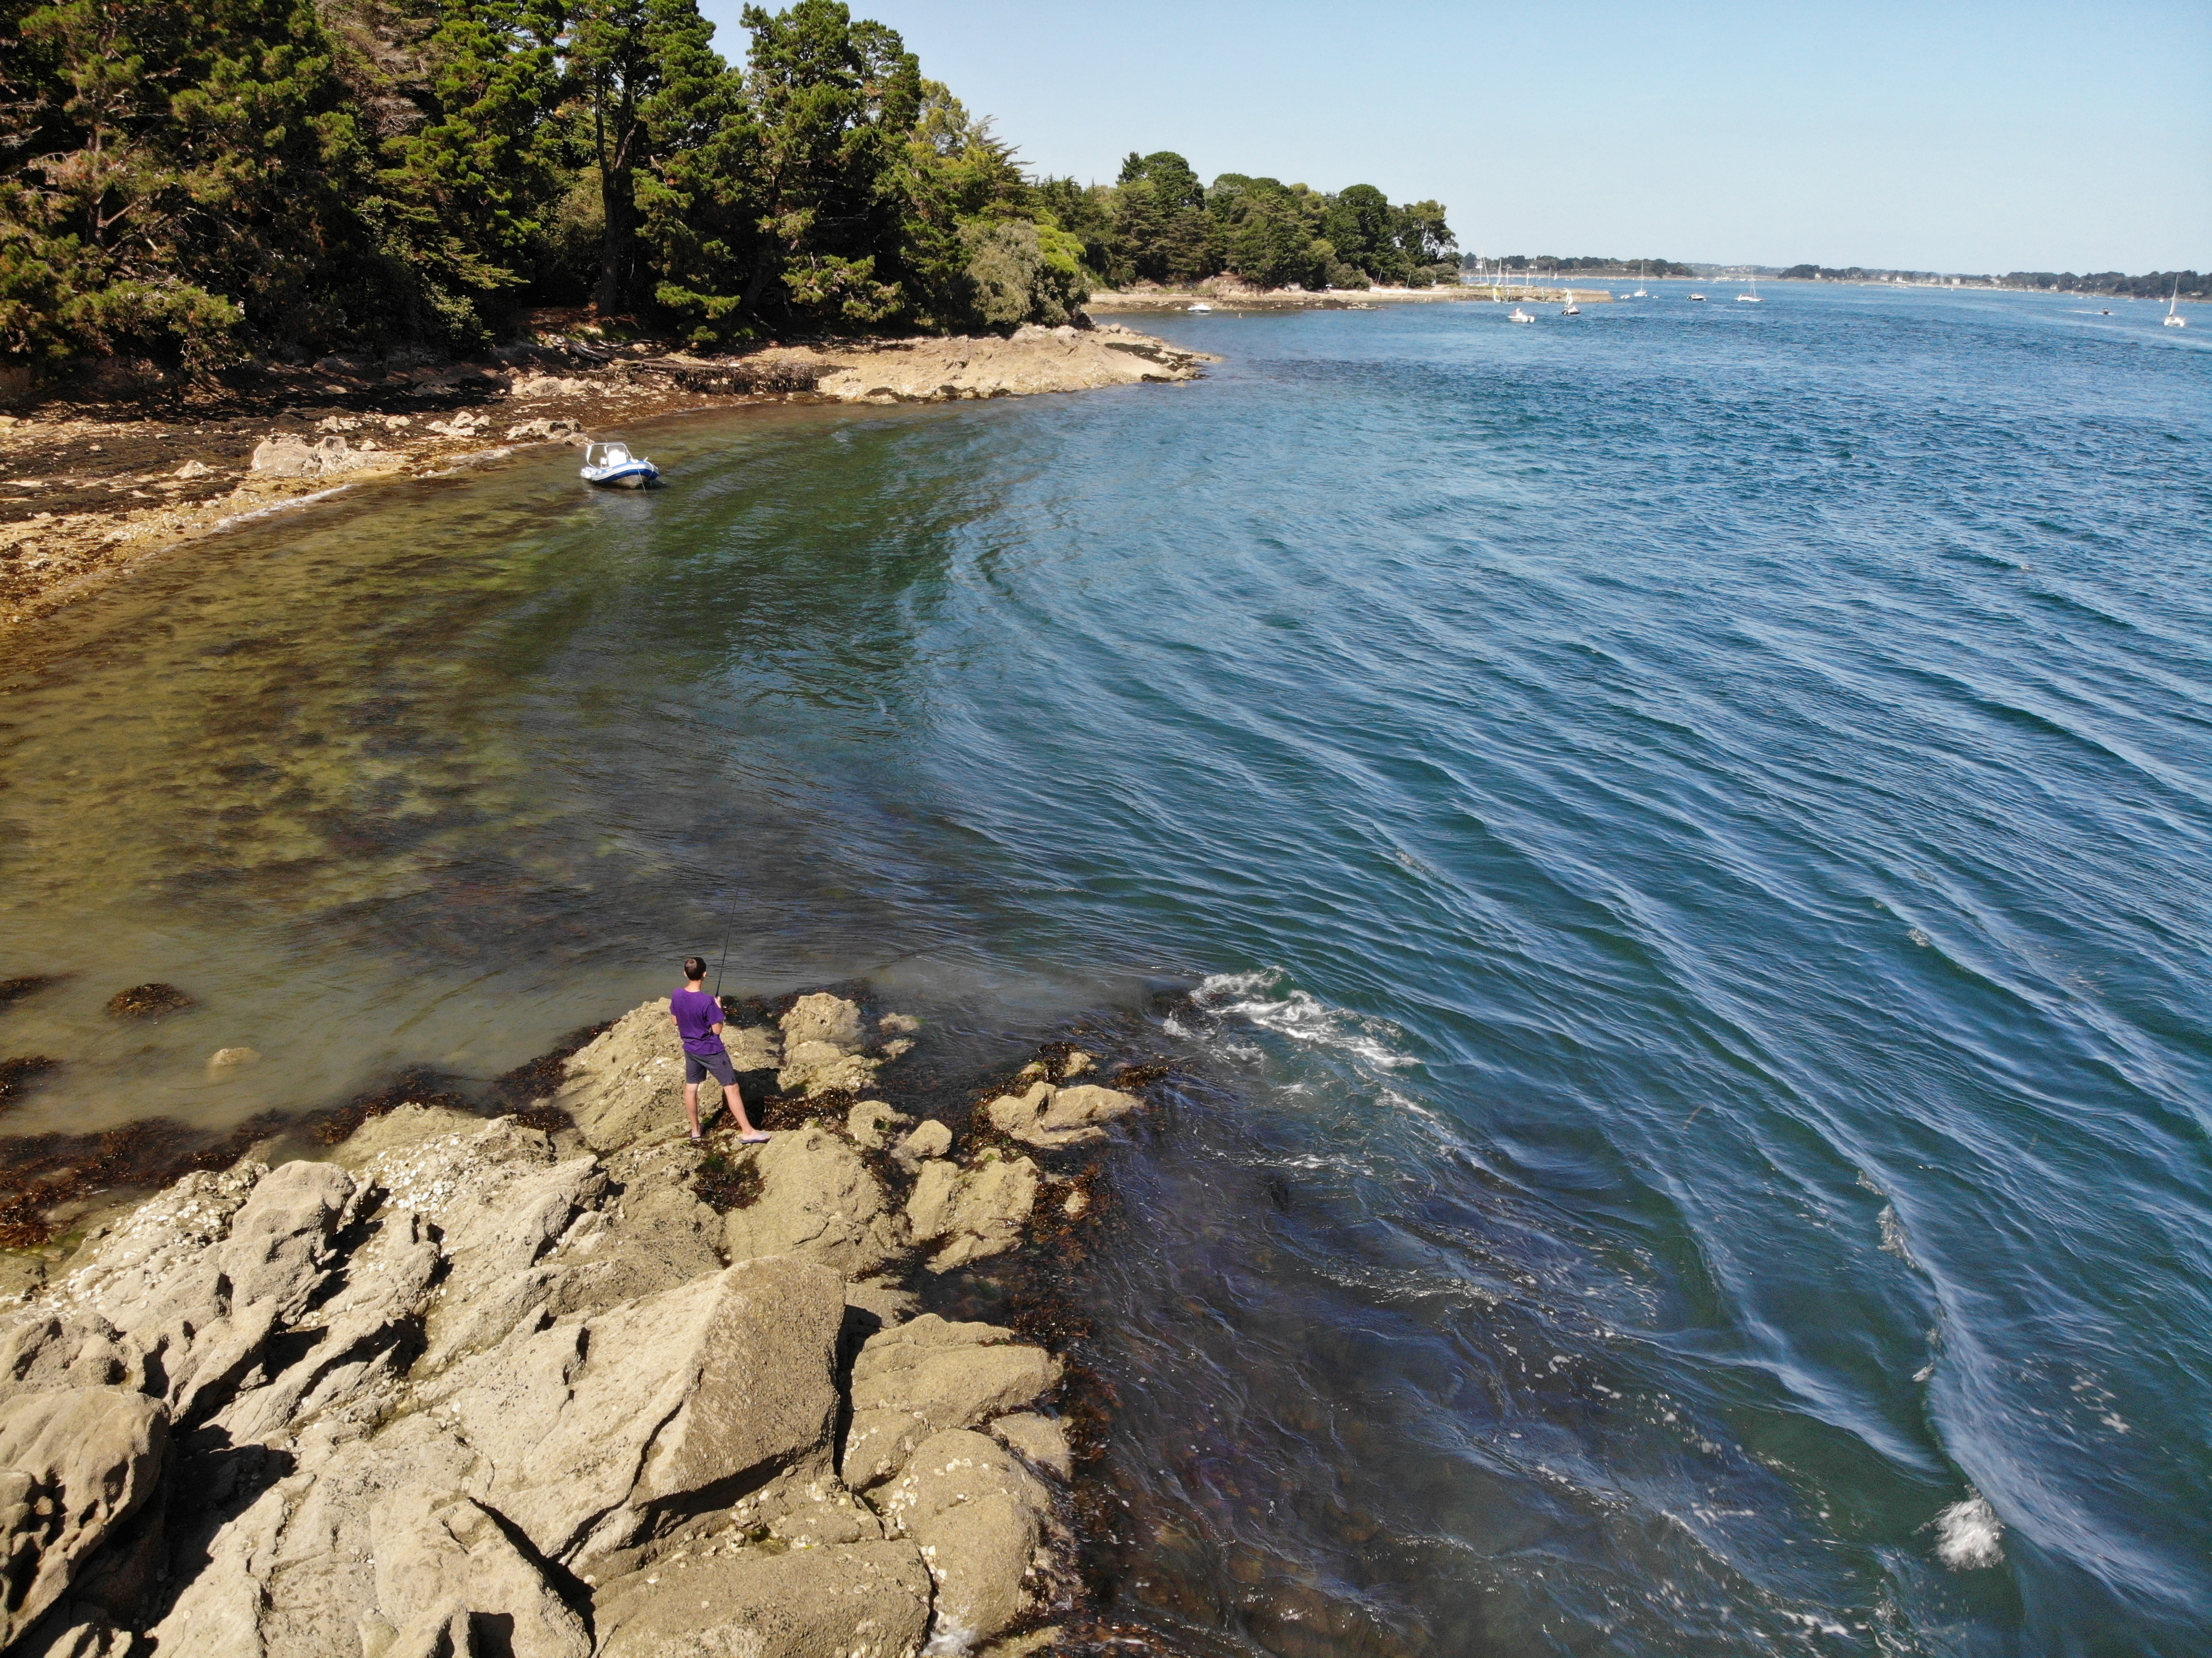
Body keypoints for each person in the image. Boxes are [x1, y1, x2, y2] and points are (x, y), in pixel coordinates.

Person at [669, 957, 770, 1145]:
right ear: (705, 975)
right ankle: (748, 1132)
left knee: (691, 1088)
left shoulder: (677, 994)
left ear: (685, 974)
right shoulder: (708, 1002)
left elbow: (675, 1021)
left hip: (690, 1048)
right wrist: (718, 1008)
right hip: (711, 1050)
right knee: (732, 1088)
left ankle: (695, 1129)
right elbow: (717, 1030)